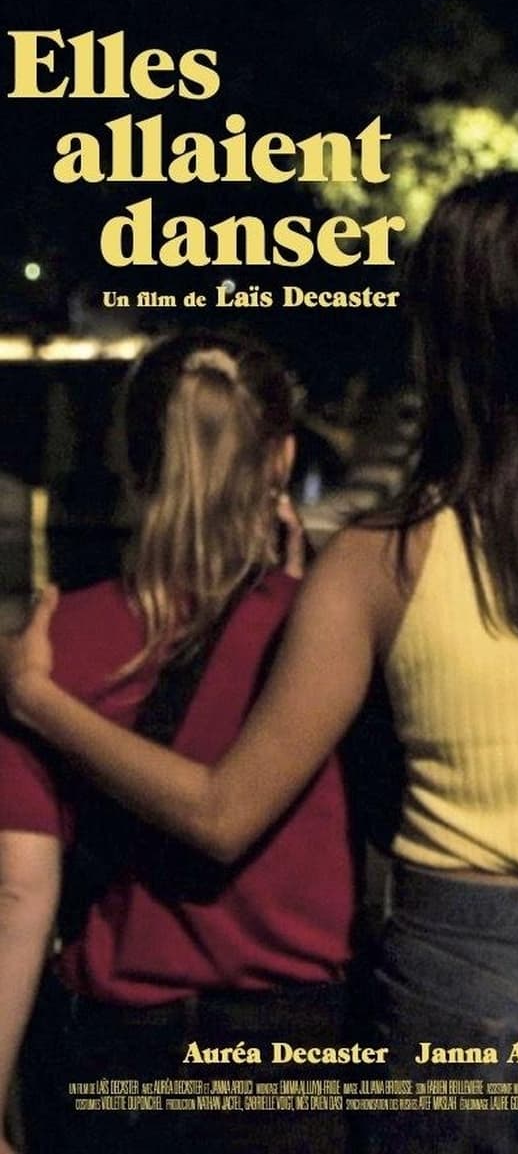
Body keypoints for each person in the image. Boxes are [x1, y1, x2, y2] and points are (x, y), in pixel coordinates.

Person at [3, 172, 518, 1153]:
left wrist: (38, 698)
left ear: (437, 342)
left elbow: (226, 808)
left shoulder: (379, 561)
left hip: (459, 974)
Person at [0, 330, 355, 1154]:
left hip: (113, 1055)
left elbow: (17, 891)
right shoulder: (323, 639)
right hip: (287, 1057)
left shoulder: (54, 642)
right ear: (281, 459)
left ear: (131, 464)